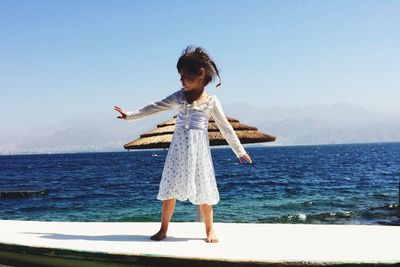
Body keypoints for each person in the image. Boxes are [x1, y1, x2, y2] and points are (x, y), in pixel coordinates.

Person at [114, 45, 252, 243]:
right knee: (170, 189)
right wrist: (130, 115)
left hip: (199, 152)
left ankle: (210, 230)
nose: (181, 80)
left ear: (201, 74)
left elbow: (225, 128)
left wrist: (239, 151)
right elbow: (155, 106)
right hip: (178, 151)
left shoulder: (211, 102)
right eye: (180, 75)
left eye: (185, 75)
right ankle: (163, 229)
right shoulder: (178, 97)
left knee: (204, 189)